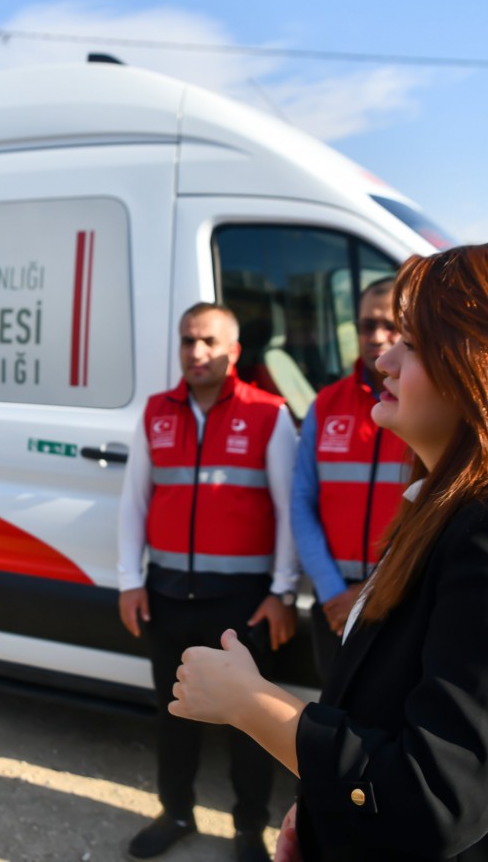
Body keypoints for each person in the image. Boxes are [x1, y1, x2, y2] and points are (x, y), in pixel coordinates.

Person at [170, 244, 488, 861]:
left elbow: (431, 798)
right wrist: (324, 813)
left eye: (413, 343)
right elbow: (397, 723)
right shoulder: (454, 509)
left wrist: (253, 705)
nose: (385, 358)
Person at [118, 302, 300, 862]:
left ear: (233, 351)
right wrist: (130, 581)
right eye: (187, 341)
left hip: (243, 607)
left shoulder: (269, 414)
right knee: (173, 717)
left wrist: (283, 592)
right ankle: (175, 811)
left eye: (208, 342)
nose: (196, 352)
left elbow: (290, 511)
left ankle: (250, 828)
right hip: (168, 596)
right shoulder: (156, 413)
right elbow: (134, 503)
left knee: (248, 725)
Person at [291, 278, 411, 677]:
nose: (377, 336)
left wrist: (374, 592)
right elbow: (301, 503)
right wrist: (332, 592)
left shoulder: (431, 406)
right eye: (366, 325)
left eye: (390, 325)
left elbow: (435, 510)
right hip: (334, 604)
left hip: (402, 598)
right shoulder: (326, 403)